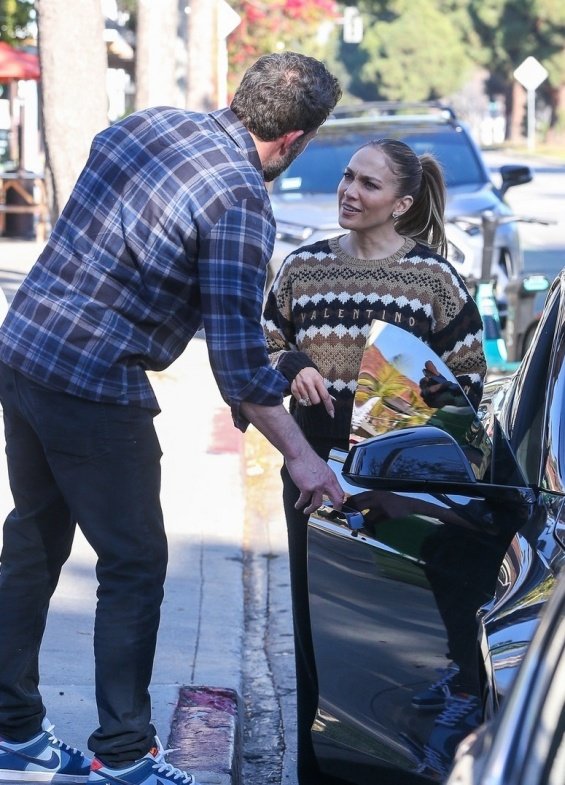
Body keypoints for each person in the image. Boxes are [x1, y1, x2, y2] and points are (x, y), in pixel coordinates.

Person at [0, 51, 344, 785]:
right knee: (134, 566)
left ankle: (13, 732)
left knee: (33, 540)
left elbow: (123, 250)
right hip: (92, 385)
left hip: (22, 349)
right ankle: (122, 756)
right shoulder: (240, 201)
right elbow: (239, 369)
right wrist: (301, 457)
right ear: (295, 140)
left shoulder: (142, 126)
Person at [262, 137, 487, 785]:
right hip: (310, 474)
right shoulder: (301, 269)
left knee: (394, 638)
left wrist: (397, 408)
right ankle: (314, 773)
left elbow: (464, 385)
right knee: (314, 634)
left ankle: (388, 765)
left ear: (402, 203)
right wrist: (293, 362)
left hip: (400, 486)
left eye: (368, 184)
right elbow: (264, 339)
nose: (349, 192)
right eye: (347, 177)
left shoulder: (434, 280)